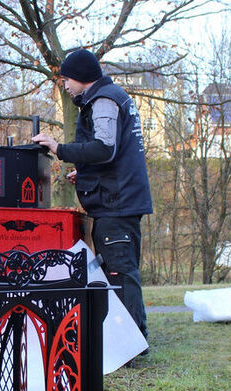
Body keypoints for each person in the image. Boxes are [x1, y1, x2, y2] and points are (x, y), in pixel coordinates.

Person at [32, 49, 153, 343]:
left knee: (120, 275)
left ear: (82, 77)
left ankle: (133, 344)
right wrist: (85, 174)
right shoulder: (110, 97)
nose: (64, 85)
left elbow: (104, 147)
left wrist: (59, 148)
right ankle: (130, 339)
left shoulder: (103, 100)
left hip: (117, 204)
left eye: (66, 79)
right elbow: (115, 156)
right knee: (120, 273)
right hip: (119, 199)